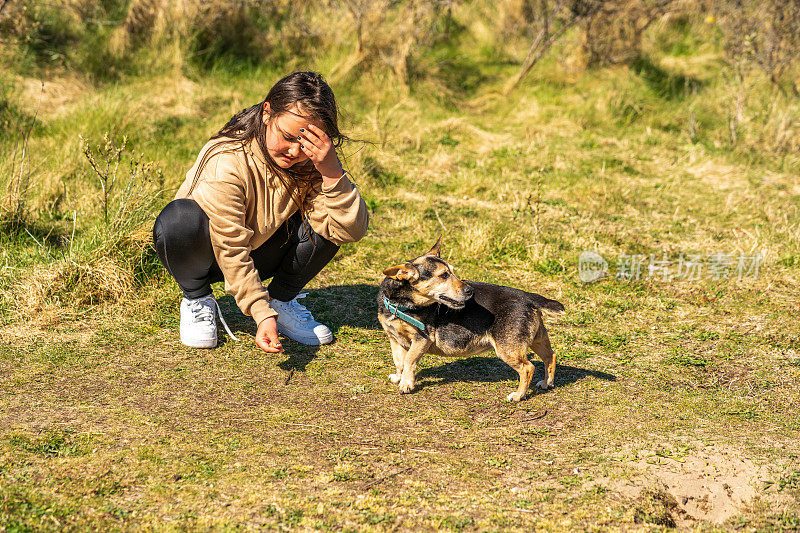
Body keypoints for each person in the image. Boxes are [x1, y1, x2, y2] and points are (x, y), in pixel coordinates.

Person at [152, 71, 369, 353]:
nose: (294, 151)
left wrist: (330, 171)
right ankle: (198, 299)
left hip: (261, 250)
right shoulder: (227, 159)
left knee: (332, 219)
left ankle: (282, 300)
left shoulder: (312, 163)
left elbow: (349, 230)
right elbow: (229, 245)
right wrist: (260, 313)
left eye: (306, 144)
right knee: (178, 220)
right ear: (267, 112)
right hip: (208, 253)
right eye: (288, 136)